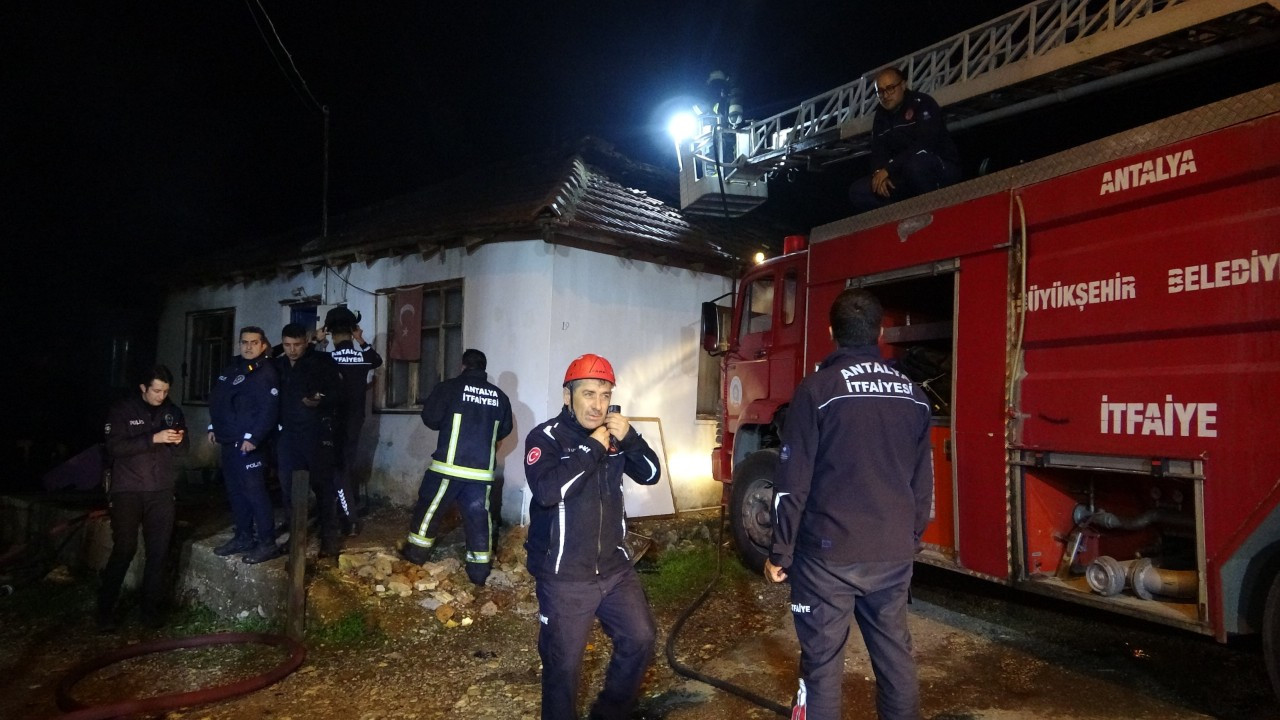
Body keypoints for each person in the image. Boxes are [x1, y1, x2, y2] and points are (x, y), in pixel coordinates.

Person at [765, 289, 934, 720]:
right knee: (896, 661)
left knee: (822, 668)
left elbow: (792, 480)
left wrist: (780, 551)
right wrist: (909, 539)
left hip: (827, 558)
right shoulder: (914, 395)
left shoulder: (817, 390)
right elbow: (922, 483)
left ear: (831, 333)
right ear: (879, 332)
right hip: (893, 554)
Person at [523, 354, 661, 720]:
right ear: (568, 397)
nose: (598, 404)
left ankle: (609, 713)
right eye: (588, 394)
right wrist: (593, 447)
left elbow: (650, 474)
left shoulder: (616, 437)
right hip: (565, 576)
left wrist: (630, 438)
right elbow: (548, 491)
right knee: (562, 669)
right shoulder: (545, 437)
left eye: (604, 394)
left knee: (641, 638)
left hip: (615, 570)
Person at [400, 349, 513, 585]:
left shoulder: (450, 387)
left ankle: (415, 555)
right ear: (484, 369)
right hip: (481, 473)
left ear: (463, 366)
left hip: (448, 468)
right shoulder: (500, 397)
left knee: (430, 509)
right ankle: (479, 572)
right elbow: (504, 430)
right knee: (479, 517)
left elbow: (430, 418)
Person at [97, 365, 188, 631]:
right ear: (143, 388)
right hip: (128, 491)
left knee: (158, 553)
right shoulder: (123, 410)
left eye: (166, 391)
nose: (161, 396)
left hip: (160, 491)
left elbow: (184, 450)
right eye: (156, 391)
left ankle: (149, 613)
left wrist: (179, 440)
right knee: (125, 548)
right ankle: (104, 612)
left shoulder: (172, 411)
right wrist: (154, 438)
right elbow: (115, 446)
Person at [207, 326, 281, 564]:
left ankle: (267, 542)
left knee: (254, 492)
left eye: (254, 342)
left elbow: (269, 410)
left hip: (249, 445)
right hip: (228, 441)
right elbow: (220, 400)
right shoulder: (233, 367)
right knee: (236, 492)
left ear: (263, 345)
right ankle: (243, 536)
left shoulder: (266, 372)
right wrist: (213, 427)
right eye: (244, 342)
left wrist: (254, 438)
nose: (248, 346)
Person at [849, 67, 961, 213]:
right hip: (902, 173)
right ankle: (898, 216)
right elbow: (878, 151)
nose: (885, 95)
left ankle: (936, 211)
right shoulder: (881, 116)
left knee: (915, 165)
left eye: (890, 88)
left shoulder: (922, 103)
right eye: (880, 91)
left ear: (903, 85)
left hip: (937, 166)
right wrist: (878, 173)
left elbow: (925, 143)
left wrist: (888, 169)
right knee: (858, 191)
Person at [274, 323, 343, 557]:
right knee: (288, 488)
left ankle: (329, 541)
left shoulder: (322, 362)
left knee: (323, 487)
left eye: (297, 345)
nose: (292, 350)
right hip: (288, 436)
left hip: (316, 434)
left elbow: (339, 394)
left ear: (306, 342)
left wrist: (320, 401)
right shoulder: (279, 364)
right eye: (287, 345)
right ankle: (296, 538)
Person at [323, 306, 382, 536]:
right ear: (352, 330)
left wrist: (317, 342)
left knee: (336, 470)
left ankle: (349, 518)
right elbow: (376, 360)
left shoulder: (328, 358)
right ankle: (345, 511)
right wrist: (362, 340)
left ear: (330, 332)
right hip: (355, 421)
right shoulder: (362, 357)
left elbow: (311, 364)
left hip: (332, 421)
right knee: (345, 466)